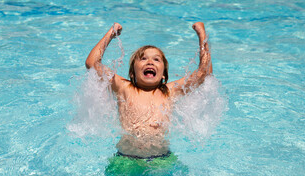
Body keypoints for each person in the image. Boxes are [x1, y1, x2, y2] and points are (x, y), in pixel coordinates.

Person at [85, 22, 212, 161]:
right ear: (132, 73)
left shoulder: (169, 91)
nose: (150, 62)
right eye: (143, 58)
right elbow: (92, 63)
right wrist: (110, 34)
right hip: (126, 158)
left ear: (163, 74)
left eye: (156, 59)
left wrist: (202, 35)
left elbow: (203, 73)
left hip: (161, 159)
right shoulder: (124, 87)